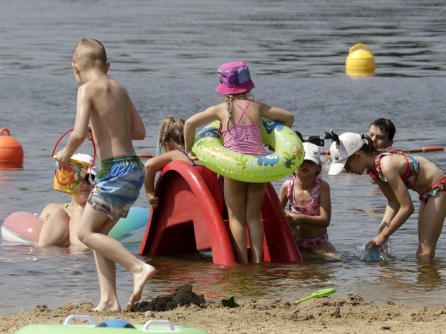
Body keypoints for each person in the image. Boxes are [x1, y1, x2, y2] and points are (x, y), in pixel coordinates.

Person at [55, 38, 155, 312]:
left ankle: (138, 268)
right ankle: (109, 299)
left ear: (76, 69)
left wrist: (66, 153)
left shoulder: (86, 89)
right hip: (134, 168)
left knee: (86, 233)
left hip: (114, 171)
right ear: (107, 66)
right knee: (101, 234)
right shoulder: (119, 89)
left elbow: (76, 134)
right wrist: (100, 130)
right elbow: (139, 132)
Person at [183, 61, 294, 264]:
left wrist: (189, 149)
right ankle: (259, 262)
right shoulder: (258, 107)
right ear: (248, 86)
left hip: (235, 168)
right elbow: (288, 117)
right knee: (253, 216)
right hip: (260, 167)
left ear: (225, 88)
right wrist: (275, 145)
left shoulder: (220, 110)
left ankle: (243, 262)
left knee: (236, 217)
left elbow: (190, 123)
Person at [327, 132, 446, 262]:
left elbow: (407, 208)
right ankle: (430, 279)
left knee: (423, 252)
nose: (348, 171)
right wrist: (382, 231)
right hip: (426, 195)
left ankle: (427, 281)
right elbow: (393, 202)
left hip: (440, 189)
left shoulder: (386, 165)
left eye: (347, 166)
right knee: (424, 251)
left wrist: (384, 235)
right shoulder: (373, 171)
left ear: (358, 156)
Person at [279, 141, 336, 255]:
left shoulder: (322, 187)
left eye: (310, 162)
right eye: (301, 161)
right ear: (293, 165)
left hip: (318, 242)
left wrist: (299, 218)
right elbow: (275, 213)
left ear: (318, 167)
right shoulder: (288, 186)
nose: (305, 165)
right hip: (295, 240)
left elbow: (325, 220)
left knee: (337, 261)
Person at [38, 153, 96, 249]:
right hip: (55, 258)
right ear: (68, 181)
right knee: (58, 213)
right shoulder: (53, 209)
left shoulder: (99, 212)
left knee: (78, 214)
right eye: (79, 178)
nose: (85, 184)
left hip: (83, 257)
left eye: (90, 179)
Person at [144, 117, 198, 209]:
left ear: (167, 143)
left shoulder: (175, 154)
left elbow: (148, 166)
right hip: (204, 201)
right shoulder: (197, 155)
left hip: (187, 205)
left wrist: (150, 193)